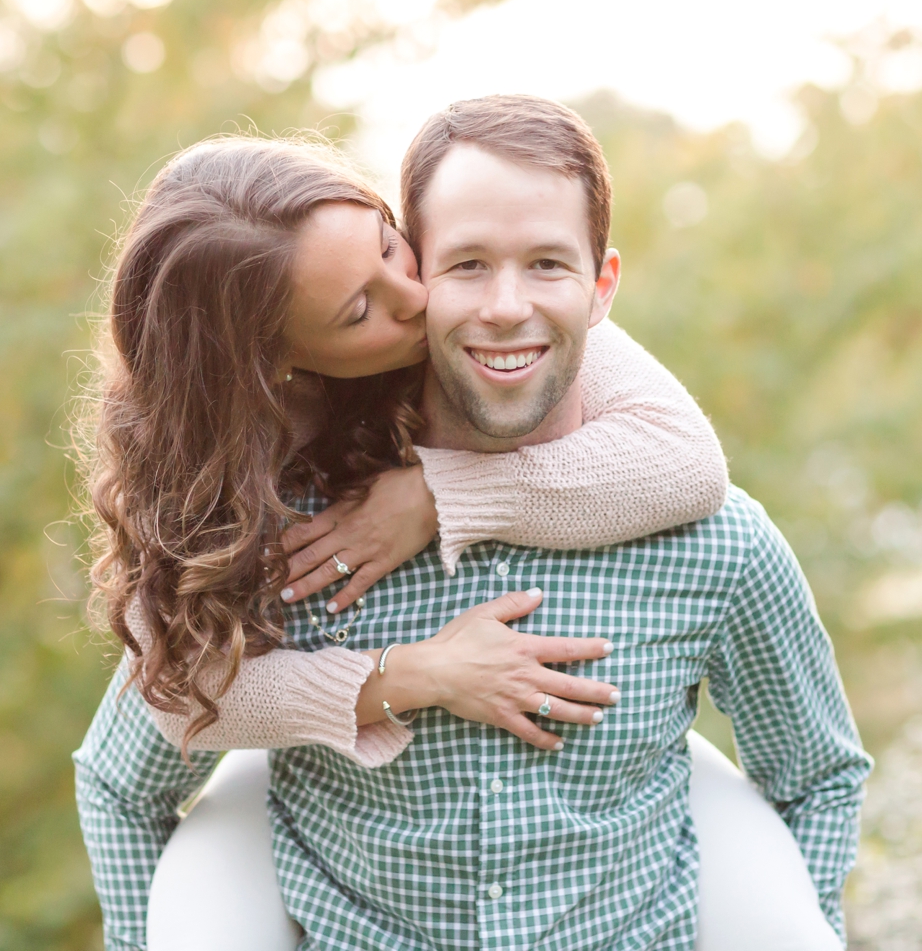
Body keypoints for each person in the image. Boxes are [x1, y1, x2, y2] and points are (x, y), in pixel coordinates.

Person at [75, 95, 871, 951]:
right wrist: (398, 676)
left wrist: (438, 494)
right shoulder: (260, 536)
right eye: (460, 268)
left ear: (600, 286)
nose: (475, 305)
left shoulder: (704, 532)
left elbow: (818, 777)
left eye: (545, 267)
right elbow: (149, 743)